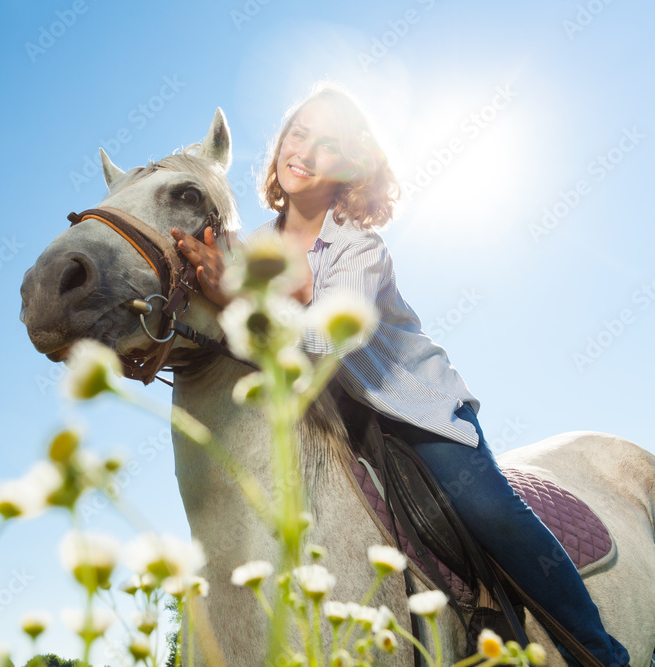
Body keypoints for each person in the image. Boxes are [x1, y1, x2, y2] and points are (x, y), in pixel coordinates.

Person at [170, 83, 630, 666]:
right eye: (299, 133)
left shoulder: (361, 246)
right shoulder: (243, 248)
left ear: (352, 168)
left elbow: (327, 340)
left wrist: (234, 293)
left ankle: (599, 652)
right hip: (327, 414)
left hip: (414, 409)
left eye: (329, 144)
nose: (305, 151)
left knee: (491, 512)